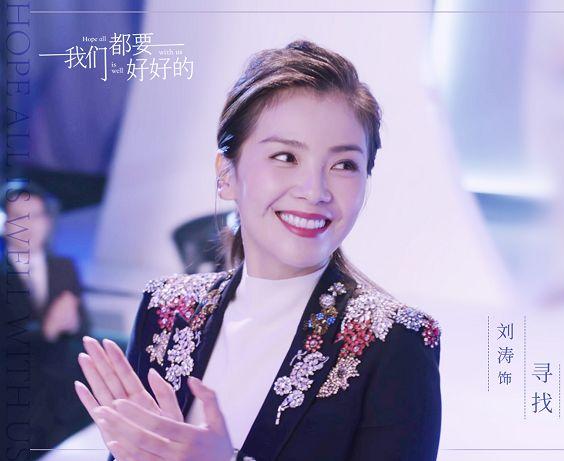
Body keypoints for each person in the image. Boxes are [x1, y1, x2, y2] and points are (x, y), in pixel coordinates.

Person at [73, 40, 442, 461]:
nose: (315, 191)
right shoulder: (168, 309)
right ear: (226, 174)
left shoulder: (395, 342)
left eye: (344, 165)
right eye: (285, 157)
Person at [0, 181, 92, 457]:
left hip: (60, 394)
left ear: (47, 221)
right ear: (5, 223)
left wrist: (73, 323)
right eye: (18, 217)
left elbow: (83, 325)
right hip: (12, 394)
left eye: (36, 216)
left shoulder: (64, 267)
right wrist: (45, 330)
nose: (28, 225)